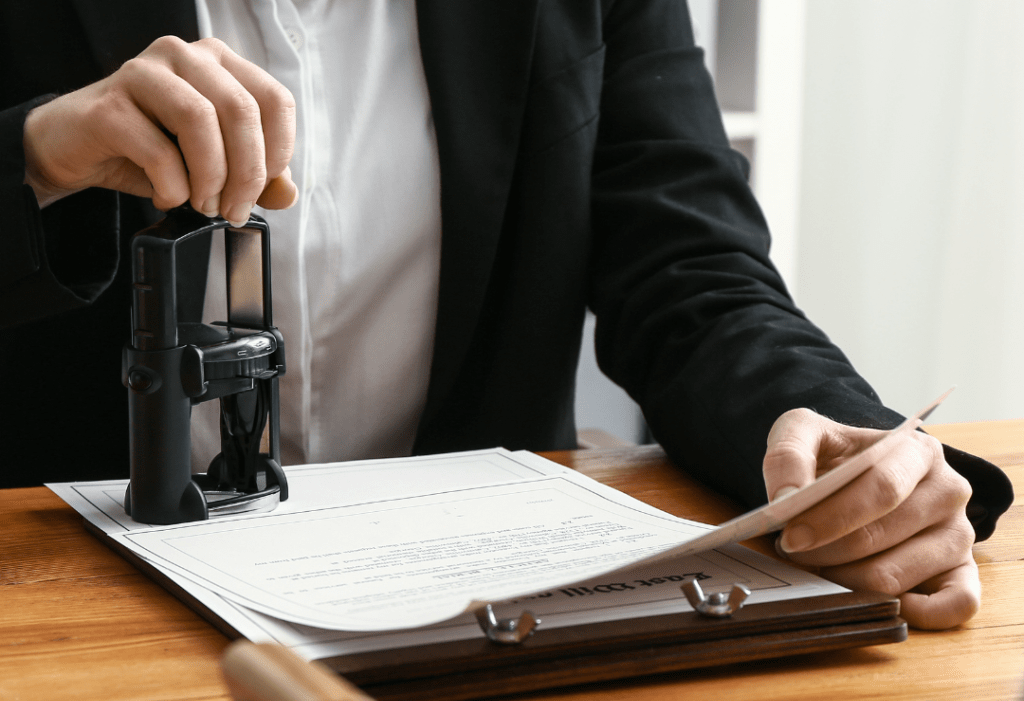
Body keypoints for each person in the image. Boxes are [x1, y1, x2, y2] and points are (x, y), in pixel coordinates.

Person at [0, 0, 1012, 630]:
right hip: (70, 617)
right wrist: (38, 160)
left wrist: (821, 432)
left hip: (482, 625)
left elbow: (690, 269)